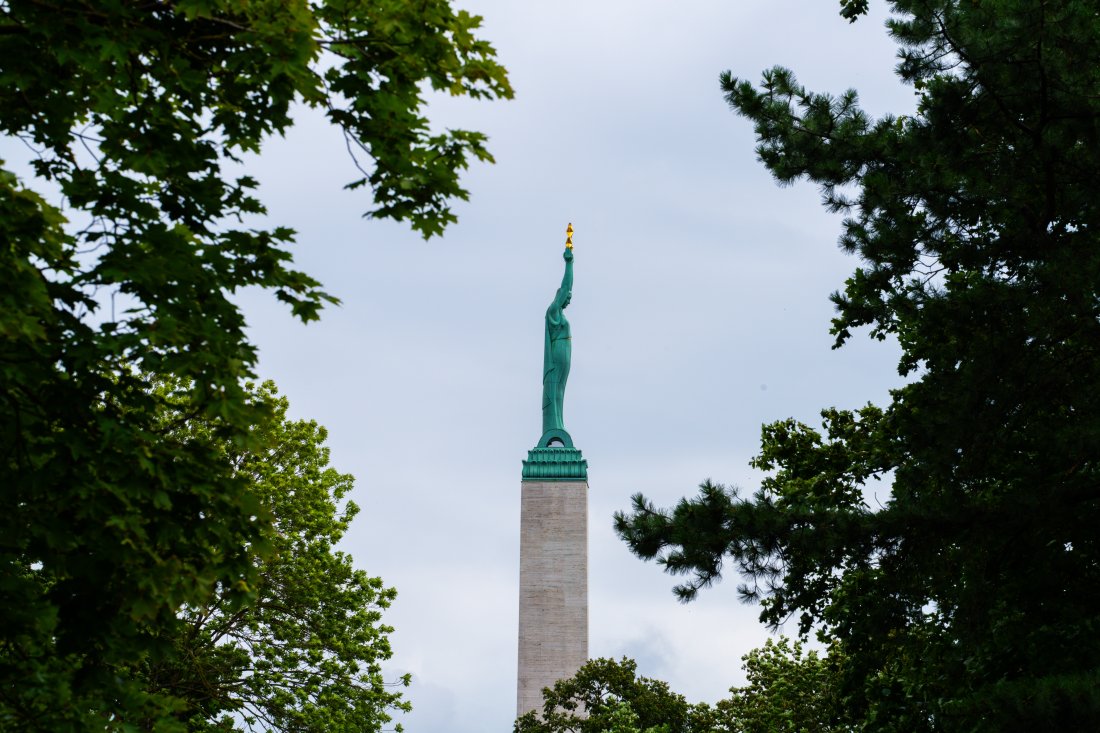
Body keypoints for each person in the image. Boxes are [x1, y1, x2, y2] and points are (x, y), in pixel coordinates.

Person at [541, 246, 573, 443]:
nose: (569, 299)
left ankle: (558, 423)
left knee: (561, 390)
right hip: (558, 351)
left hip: (564, 350)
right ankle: (552, 425)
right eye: (566, 298)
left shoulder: (559, 313)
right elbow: (567, 287)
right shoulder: (553, 310)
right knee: (555, 389)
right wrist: (569, 263)